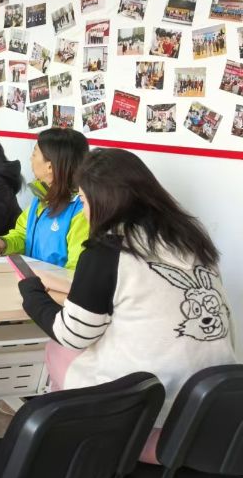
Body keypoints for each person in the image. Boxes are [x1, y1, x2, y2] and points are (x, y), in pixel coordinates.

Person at [19, 148, 236, 454]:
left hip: (153, 426)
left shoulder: (107, 250)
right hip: (217, 422)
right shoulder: (192, 241)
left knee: (59, 350)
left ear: (103, 201)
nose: (82, 211)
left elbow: (74, 334)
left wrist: (31, 294)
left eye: (83, 200)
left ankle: (74, 461)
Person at [0, 129, 89, 273]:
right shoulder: (41, 198)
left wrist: (48, 282)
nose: (30, 159)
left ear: (50, 166)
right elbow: (23, 235)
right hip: (34, 280)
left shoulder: (81, 210)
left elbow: (77, 268)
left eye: (34, 154)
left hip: (55, 285)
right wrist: (4, 243)